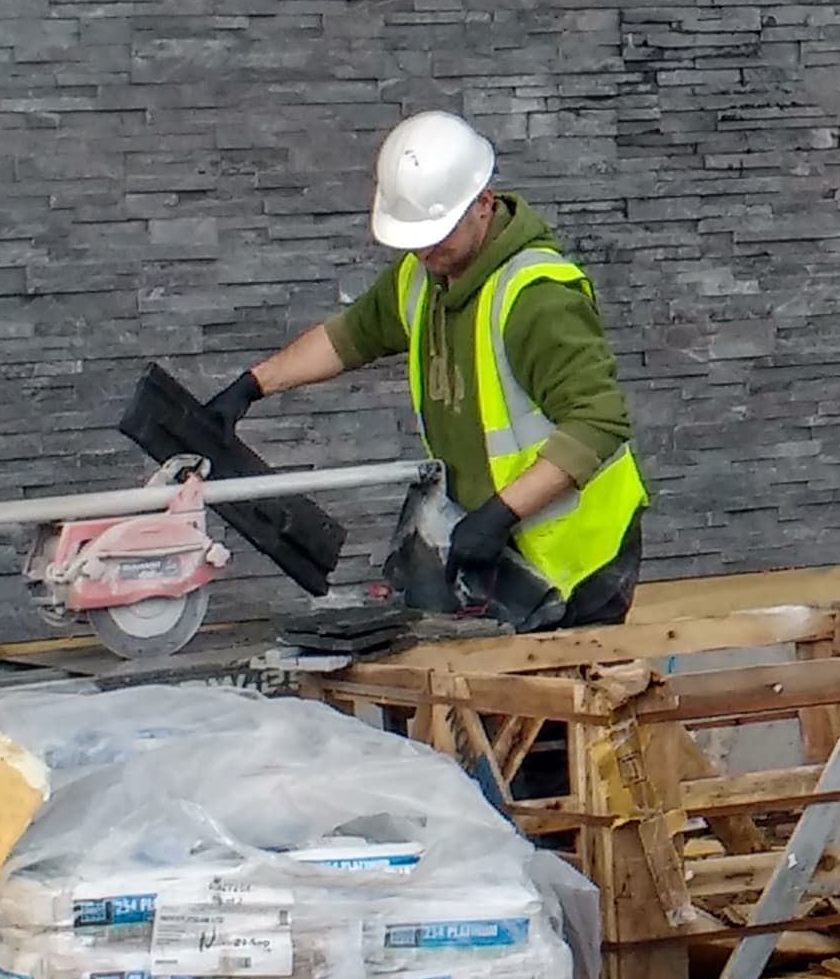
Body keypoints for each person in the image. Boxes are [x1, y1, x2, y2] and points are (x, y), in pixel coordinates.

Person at [205, 111, 650, 629]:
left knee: (560, 704)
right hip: (501, 548)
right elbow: (351, 336)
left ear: (484, 203)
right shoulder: (423, 277)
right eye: (415, 239)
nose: (425, 251)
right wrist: (252, 386)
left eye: (438, 235)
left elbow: (598, 423)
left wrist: (499, 515)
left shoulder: (537, 298)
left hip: (578, 559)